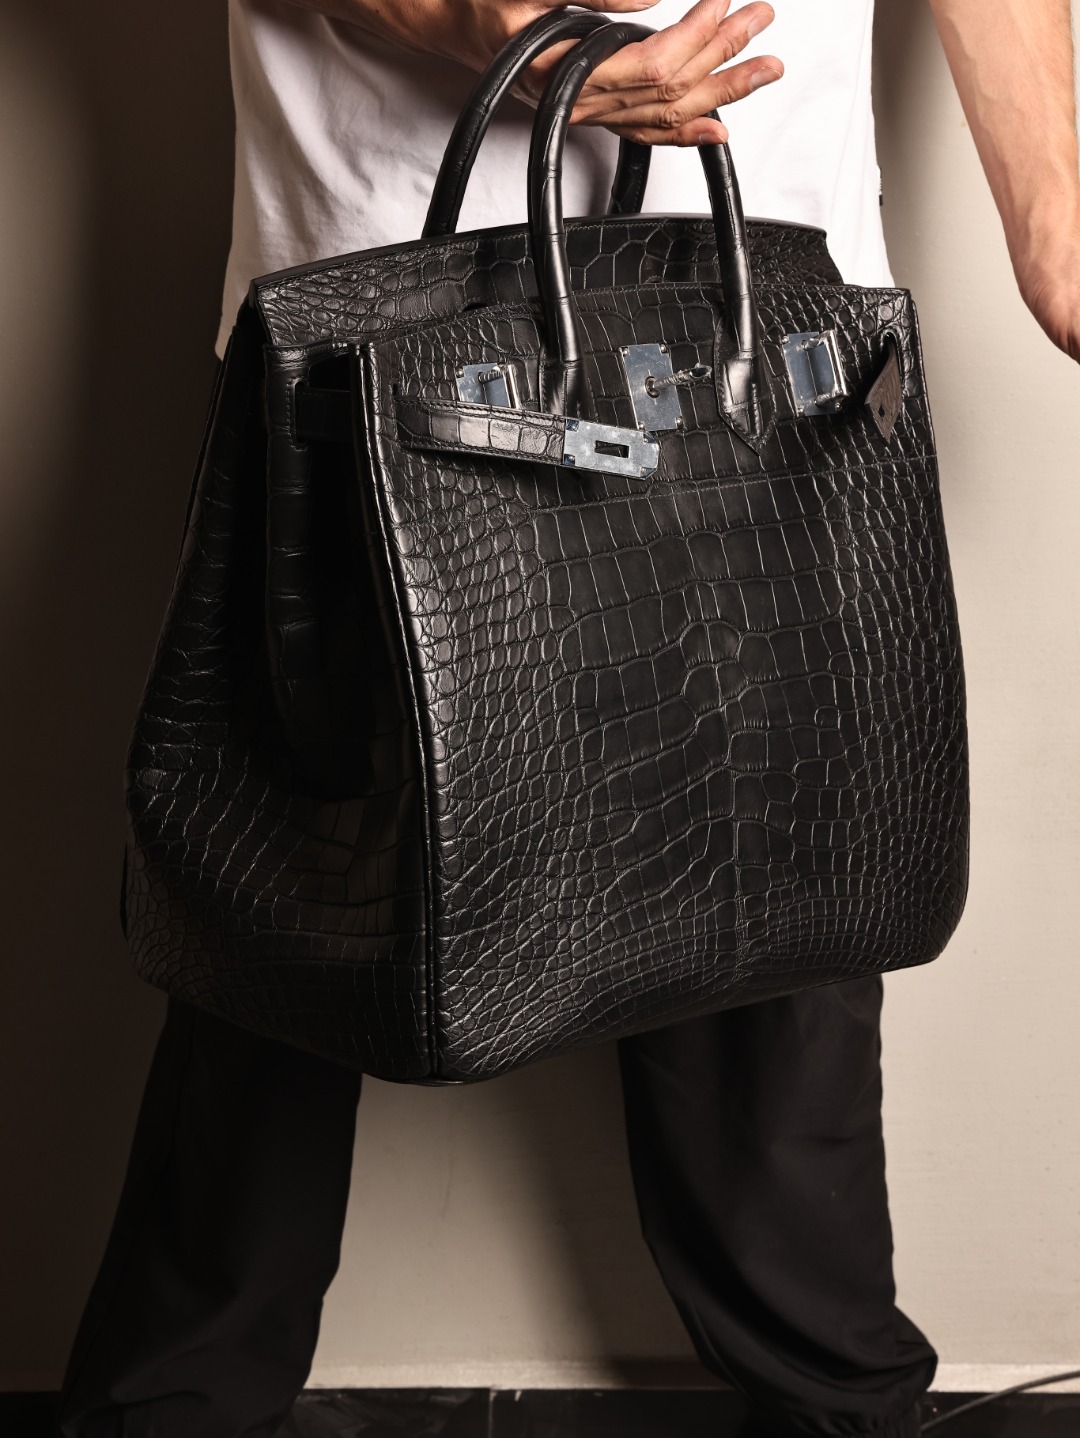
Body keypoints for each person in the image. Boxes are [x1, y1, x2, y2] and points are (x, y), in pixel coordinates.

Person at [57, 4, 1080, 1437]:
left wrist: (1057, 222)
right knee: (291, 907)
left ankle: (842, 1409)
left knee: (777, 909)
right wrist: (499, 33)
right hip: (384, 305)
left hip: (767, 293)